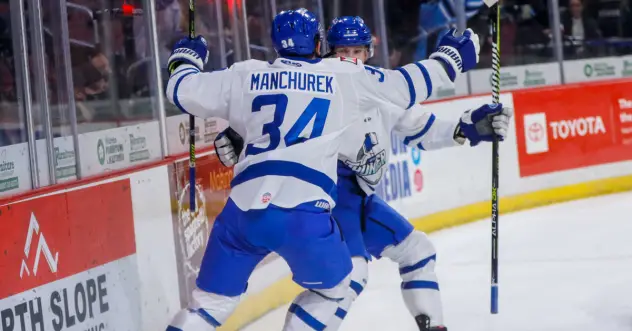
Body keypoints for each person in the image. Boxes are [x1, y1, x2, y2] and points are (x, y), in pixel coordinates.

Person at [165, 8, 481, 331]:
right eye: (343, 51)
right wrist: (449, 60)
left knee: (207, 307)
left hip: (241, 213)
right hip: (304, 212)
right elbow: (408, 84)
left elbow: (181, 90)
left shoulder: (246, 73)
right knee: (339, 286)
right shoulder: (344, 78)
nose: (350, 58)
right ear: (321, 47)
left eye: (357, 51)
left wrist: (186, 57)